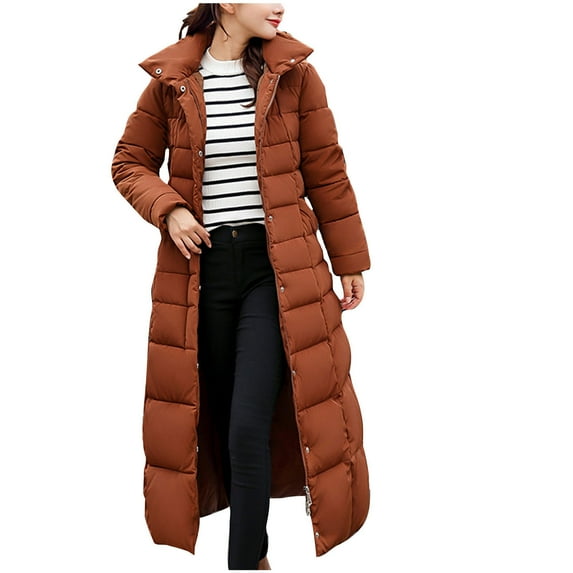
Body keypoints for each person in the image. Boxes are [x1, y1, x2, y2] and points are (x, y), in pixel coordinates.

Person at [111, 3, 371, 570]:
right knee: (221, 421)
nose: (280, 6)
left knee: (249, 425)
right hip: (199, 273)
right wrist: (170, 209)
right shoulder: (173, 81)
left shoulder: (295, 75)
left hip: (275, 270)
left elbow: (327, 171)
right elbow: (129, 162)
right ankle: (257, 557)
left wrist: (349, 260)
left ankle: (244, 564)